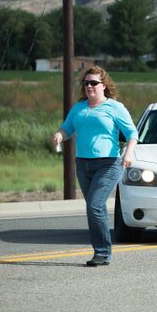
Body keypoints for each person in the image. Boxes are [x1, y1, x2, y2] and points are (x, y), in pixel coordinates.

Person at [52, 66, 138, 267]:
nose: (89, 86)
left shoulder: (114, 107)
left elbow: (132, 133)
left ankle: (102, 253)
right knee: (92, 209)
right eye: (86, 83)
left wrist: (129, 152)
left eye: (94, 83)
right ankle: (100, 250)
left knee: (95, 206)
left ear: (104, 86)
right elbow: (67, 128)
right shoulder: (79, 108)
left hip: (108, 164)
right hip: (83, 164)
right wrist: (59, 135)